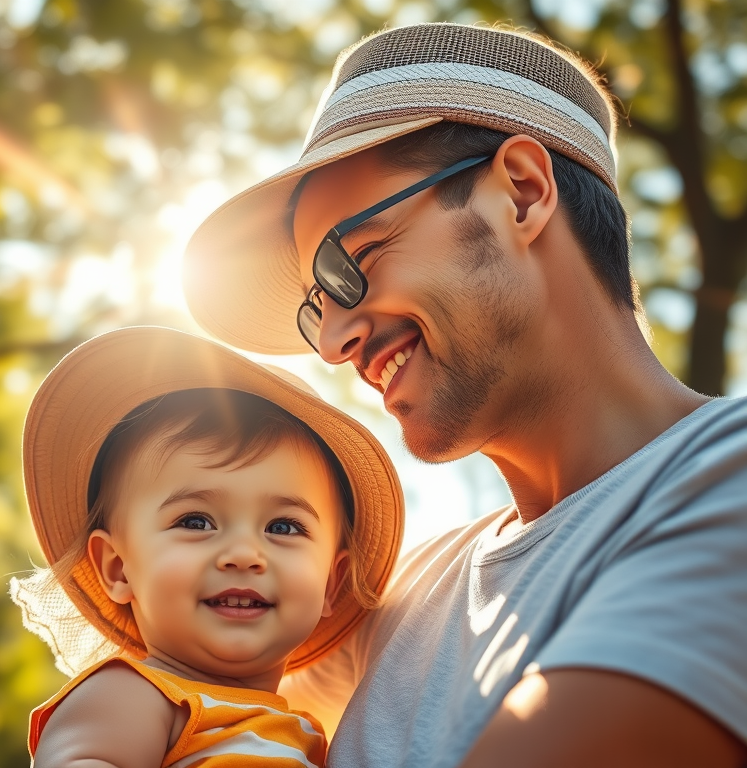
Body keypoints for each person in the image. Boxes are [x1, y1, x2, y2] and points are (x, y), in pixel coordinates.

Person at [183, 22, 747, 768]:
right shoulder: (397, 601)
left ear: (522, 192)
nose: (331, 344)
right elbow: (184, 694)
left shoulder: (726, 477)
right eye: (318, 304)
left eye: (355, 261)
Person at [9, 326, 404, 767]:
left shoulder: (310, 733)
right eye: (196, 521)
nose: (244, 554)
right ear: (119, 569)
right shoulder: (132, 694)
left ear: (330, 583)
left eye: (285, 527)